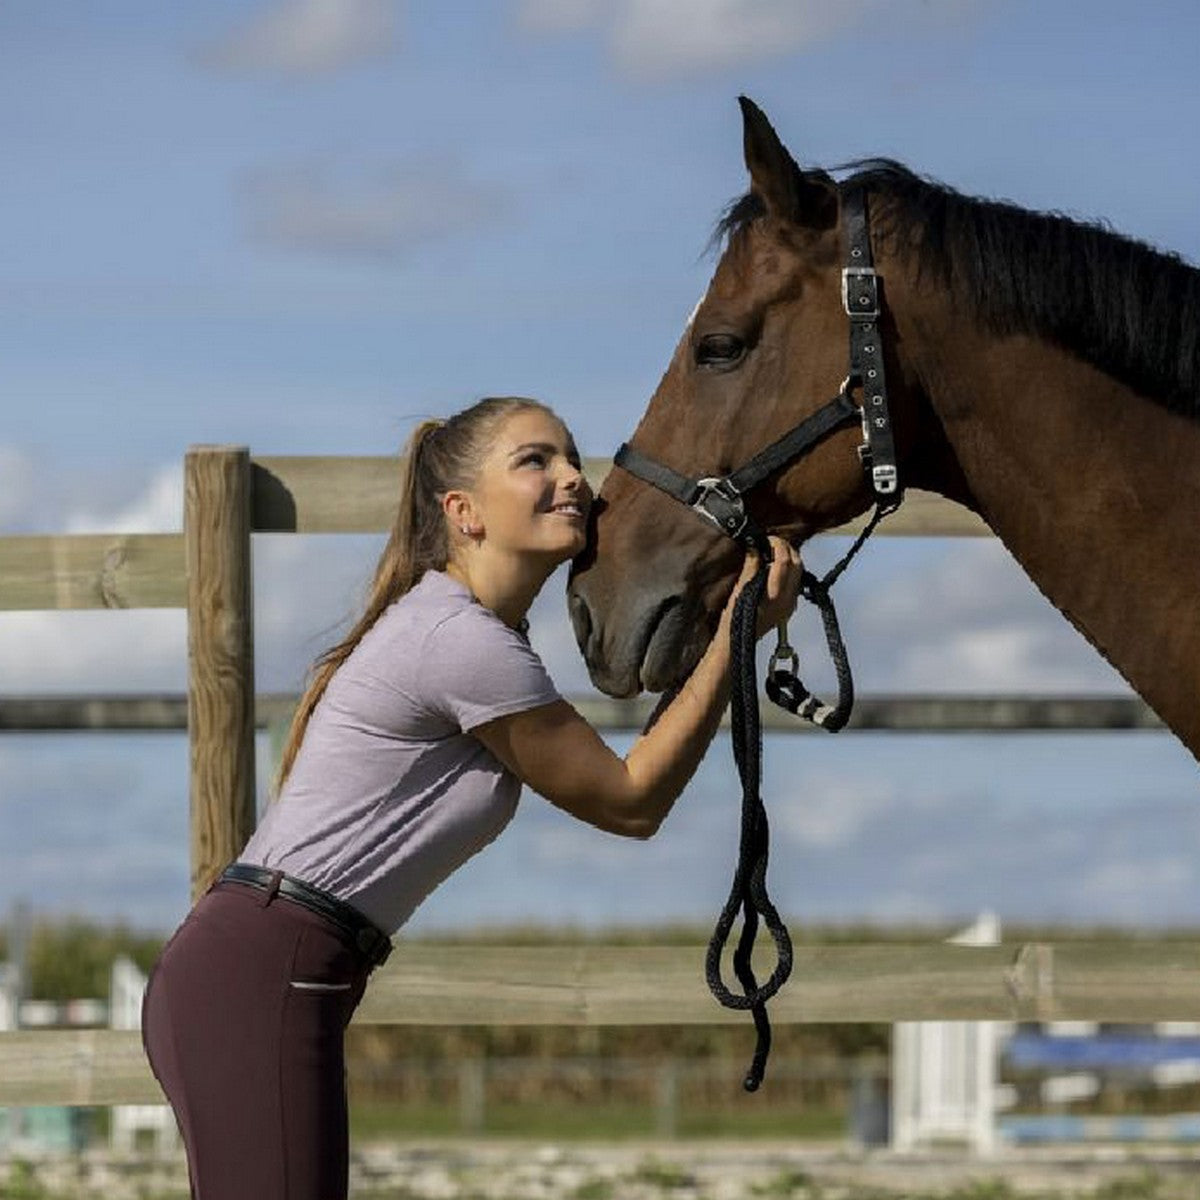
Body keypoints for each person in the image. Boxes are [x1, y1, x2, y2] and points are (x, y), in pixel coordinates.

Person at [141, 396, 802, 1200]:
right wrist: (739, 636)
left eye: (571, 459)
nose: (575, 481)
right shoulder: (461, 641)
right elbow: (630, 802)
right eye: (536, 461)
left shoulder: (466, 633)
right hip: (268, 971)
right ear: (464, 513)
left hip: (262, 968)